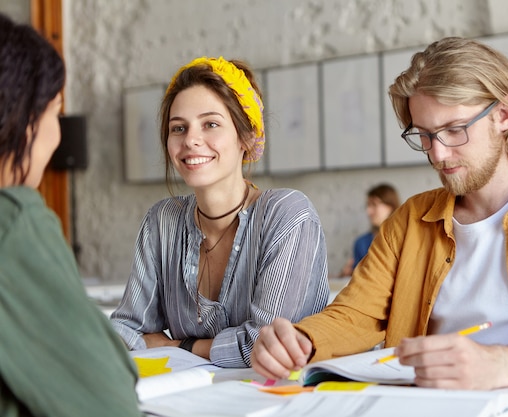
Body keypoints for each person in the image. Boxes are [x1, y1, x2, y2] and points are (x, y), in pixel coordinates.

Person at [251, 37, 508, 416]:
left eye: (454, 129)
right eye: (425, 135)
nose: (438, 153)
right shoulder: (411, 219)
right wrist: (301, 340)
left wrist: (503, 364)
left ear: (504, 115)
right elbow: (356, 314)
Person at [110, 56, 329, 368]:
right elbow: (124, 330)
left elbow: (264, 345)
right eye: (178, 128)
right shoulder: (162, 221)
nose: (191, 140)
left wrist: (177, 345)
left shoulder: (288, 215)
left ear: (246, 136)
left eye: (210, 124)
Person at [0, 13, 143, 417]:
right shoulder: (14, 222)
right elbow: (109, 397)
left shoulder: (285, 213)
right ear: (24, 118)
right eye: (55, 113)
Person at [340, 183, 400, 276]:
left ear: (390, 206)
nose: (369, 211)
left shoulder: (404, 239)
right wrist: (346, 274)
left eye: (374, 205)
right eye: (368, 205)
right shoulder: (361, 242)